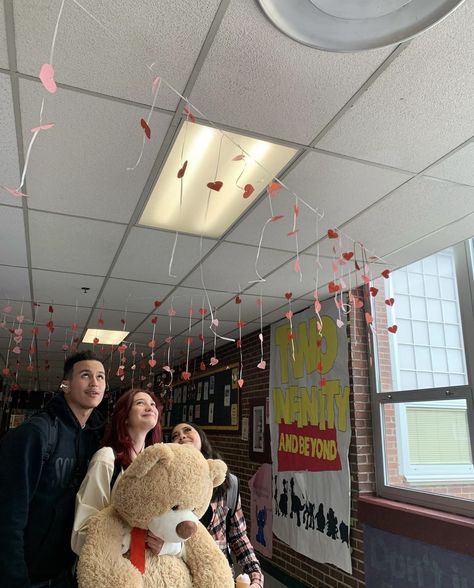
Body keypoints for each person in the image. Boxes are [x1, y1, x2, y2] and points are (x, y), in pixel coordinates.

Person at [0, 350, 106, 588]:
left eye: (100, 377)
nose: (94, 383)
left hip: (67, 574)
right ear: (66, 384)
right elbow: (9, 515)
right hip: (28, 574)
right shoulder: (36, 433)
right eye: (85, 375)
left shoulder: (97, 437)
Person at [72, 388, 180, 558]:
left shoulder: (160, 465)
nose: (150, 407)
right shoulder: (107, 458)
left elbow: (173, 523)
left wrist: (168, 546)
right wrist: (133, 541)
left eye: (153, 404)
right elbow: (82, 532)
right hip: (113, 568)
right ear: (124, 418)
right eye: (140, 403)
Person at [171, 422, 264, 588]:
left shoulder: (228, 484)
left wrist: (255, 576)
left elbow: (238, 536)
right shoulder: (168, 485)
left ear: (201, 438)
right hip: (178, 576)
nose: (181, 436)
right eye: (175, 436)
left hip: (219, 577)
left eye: (187, 430)